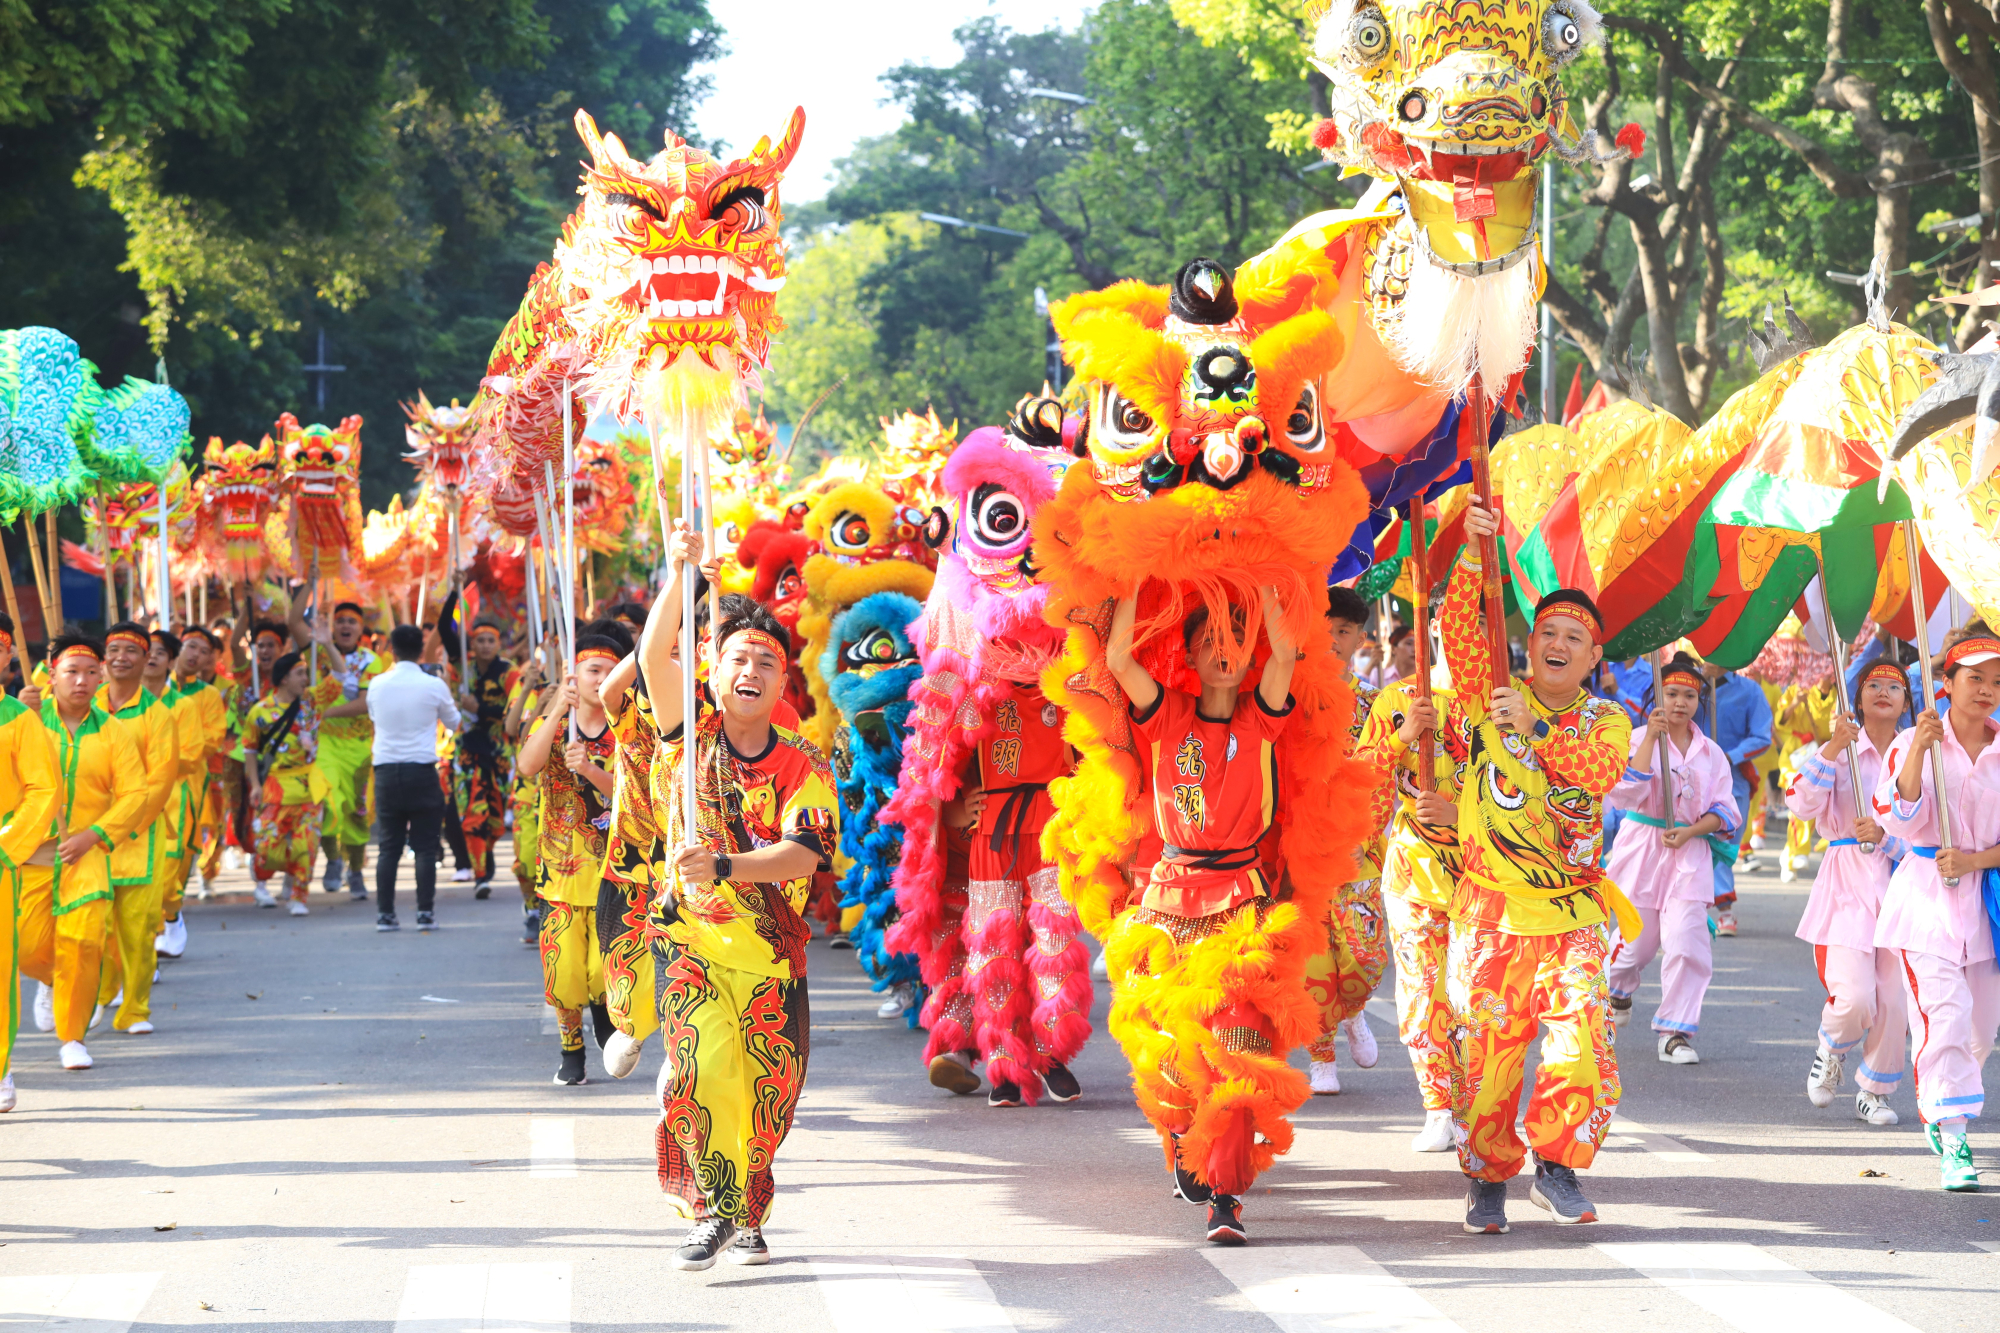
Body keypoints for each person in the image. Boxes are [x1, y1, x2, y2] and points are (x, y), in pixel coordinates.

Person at [643, 523, 836, 1270]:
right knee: (701, 1068)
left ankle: (748, 1210)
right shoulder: (685, 737)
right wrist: (683, 573)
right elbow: (652, 656)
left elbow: (804, 851)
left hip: (772, 958)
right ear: (713, 672)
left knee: (767, 1097)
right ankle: (717, 1209)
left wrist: (722, 862)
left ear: (784, 686)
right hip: (690, 945)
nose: (750, 668)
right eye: (737, 657)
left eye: (767, 661)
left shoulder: (800, 766)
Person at [1445, 501, 1631, 1234]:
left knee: (1581, 1040)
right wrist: (1470, 552)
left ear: (1593, 660)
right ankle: (1487, 1176)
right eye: (1546, 632)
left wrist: (1538, 727)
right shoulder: (1489, 697)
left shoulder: (1605, 719)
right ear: (1528, 645)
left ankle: (1556, 1164)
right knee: (1486, 1061)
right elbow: (1463, 633)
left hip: (1574, 918)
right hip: (1489, 914)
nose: (1556, 643)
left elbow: (1594, 772)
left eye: (1573, 638)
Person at [1101, 581, 1298, 1247]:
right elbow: (1120, 658)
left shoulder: (1259, 717)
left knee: (1238, 1051)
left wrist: (1269, 589)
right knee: (1169, 1059)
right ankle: (1186, 1137)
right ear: (1187, 653)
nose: (1223, 652)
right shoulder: (1167, 716)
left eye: (1234, 642)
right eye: (1209, 640)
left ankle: (1225, 1194)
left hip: (1240, 907)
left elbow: (1286, 657)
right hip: (1166, 909)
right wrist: (1134, 566)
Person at [1872, 633, 2000, 1192]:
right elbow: (1897, 820)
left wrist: (1975, 859)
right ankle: (1955, 1136)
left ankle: (1938, 1100)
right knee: (1944, 1015)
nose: (1987, 690)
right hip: (1925, 899)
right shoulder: (1912, 741)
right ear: (1946, 684)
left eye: (1997, 681)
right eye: (1975, 678)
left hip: (1986, 904)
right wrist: (1921, 748)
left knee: (1980, 1031)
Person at [1356, 627, 1467, 1153]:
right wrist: (1403, 738)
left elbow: (1533, 796)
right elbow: (1362, 785)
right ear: (1438, 628)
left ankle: (1474, 1106)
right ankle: (1438, 1106)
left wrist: (1462, 814)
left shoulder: (1509, 701)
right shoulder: (1398, 699)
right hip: (1415, 874)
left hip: (1488, 878)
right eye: (1454, 621)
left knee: (1475, 1001)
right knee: (1424, 996)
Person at [17, 633, 148, 1071]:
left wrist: (93, 835)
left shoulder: (113, 732)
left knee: (84, 942)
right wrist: (18, 718)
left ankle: (72, 1037)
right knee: (28, 946)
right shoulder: (28, 720)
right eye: (72, 672)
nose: (83, 681)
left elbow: (135, 793)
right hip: (31, 854)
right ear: (50, 676)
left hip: (87, 854)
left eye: (93, 672)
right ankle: (58, 982)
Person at [1787, 660, 1909, 1126]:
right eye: (1873, 685)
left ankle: (1874, 1092)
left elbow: (1926, 829)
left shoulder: (1912, 753)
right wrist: (1835, 746)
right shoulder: (1841, 752)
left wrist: (1886, 837)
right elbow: (1800, 805)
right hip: (1845, 885)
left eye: (1893, 686)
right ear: (1857, 699)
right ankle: (1830, 1050)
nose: (1883, 692)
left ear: (1905, 699)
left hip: (1900, 883)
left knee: (1894, 1000)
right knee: (1856, 996)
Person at [1604, 653, 1740, 1066]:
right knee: (1637, 945)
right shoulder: (1636, 736)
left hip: (1690, 853)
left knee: (1686, 942)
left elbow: (1726, 811)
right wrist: (1648, 740)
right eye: (1672, 693)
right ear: (1658, 694)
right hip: (1643, 848)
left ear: (1699, 700)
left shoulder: (1711, 752)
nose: (1680, 702)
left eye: (1689, 695)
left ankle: (1675, 1031)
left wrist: (1693, 831)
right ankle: (1616, 988)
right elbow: (1623, 793)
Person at [516, 622, 631, 1086]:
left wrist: (593, 772)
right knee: (563, 966)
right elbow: (527, 766)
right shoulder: (555, 722)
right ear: (574, 675)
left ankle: (604, 1013)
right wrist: (555, 711)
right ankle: (571, 1045)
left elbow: (635, 792)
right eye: (592, 670)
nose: (600, 680)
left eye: (610, 672)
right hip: (561, 869)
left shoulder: (628, 728)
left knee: (602, 966)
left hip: (611, 869)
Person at [1303, 585, 1388, 1095]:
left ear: (1360, 637)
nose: (1333, 640)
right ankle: (1321, 1058)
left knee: (1365, 957)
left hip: (1358, 849)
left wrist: (1365, 833)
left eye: (1343, 631)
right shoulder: (1288, 695)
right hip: (1304, 849)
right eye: (1325, 630)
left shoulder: (1376, 704)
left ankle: (1352, 1010)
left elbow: (1381, 775)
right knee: (1313, 959)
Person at [92, 622, 184, 1035]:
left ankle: (134, 1009)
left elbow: (160, 780)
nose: (120, 658)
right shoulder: (82, 704)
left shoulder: (158, 714)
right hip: (87, 836)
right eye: (113, 649)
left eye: (131, 651)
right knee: (94, 925)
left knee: (137, 929)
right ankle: (99, 993)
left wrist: (121, 825)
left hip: (136, 837)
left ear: (147, 660)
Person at [0, 615, 62, 1110]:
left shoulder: (21, 721)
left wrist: (8, 842)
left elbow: (43, 789)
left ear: (6, 658)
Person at [239, 616, 342, 913]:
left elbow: (340, 676)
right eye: (299, 673)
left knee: (306, 846)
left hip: (309, 787)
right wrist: (255, 785)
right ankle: (263, 879)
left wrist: (326, 644)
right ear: (283, 679)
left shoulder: (312, 701)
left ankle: (299, 895)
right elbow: (249, 750)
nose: (305, 678)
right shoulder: (261, 712)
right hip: (275, 787)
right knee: (268, 847)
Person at [366, 623, 462, 930]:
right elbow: (455, 723)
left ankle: (385, 915)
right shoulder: (433, 685)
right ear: (422, 650)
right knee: (424, 845)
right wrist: (444, 684)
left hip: (385, 771)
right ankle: (424, 913)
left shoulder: (377, 684)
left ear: (390, 649)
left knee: (389, 846)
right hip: (421, 770)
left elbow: (373, 717)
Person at [309, 600, 387, 900]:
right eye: (339, 620)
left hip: (359, 748)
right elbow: (293, 622)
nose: (345, 626)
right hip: (325, 744)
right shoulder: (316, 654)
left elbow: (366, 703)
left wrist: (325, 712)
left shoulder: (372, 661)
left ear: (360, 629)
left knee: (356, 813)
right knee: (326, 802)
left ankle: (355, 870)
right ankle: (333, 860)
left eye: (351, 622)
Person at [155, 628, 225, 957]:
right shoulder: (122, 698)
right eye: (189, 646)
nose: (195, 654)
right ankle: (153, 932)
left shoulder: (205, 696)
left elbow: (208, 742)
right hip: (134, 795)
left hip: (185, 790)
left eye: (203, 650)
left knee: (175, 865)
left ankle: (171, 914)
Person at [1697, 660, 1772, 933]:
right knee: (1689, 843)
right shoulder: (1690, 685)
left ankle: (1724, 910)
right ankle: (1693, 908)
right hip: (1688, 781)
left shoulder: (1750, 691)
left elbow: (1762, 736)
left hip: (1732, 783)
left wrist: (1729, 757)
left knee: (1722, 844)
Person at [447, 616, 518, 896]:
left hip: (499, 755)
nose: (486, 646)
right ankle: (480, 876)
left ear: (499, 644)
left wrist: (480, 709)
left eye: (491, 640)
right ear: (472, 644)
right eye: (480, 640)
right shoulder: (463, 668)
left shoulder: (508, 672)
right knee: (472, 814)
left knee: (495, 821)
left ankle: (485, 856)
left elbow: (516, 710)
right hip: (467, 755)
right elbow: (444, 629)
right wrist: (455, 589)